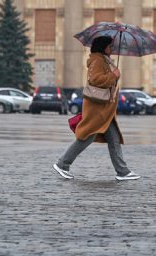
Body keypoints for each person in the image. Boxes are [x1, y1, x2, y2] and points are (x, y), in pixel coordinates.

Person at [53, 35, 140, 181]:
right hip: (97, 109)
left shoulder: (105, 60)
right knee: (86, 136)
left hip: (105, 110)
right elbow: (96, 80)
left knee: (114, 140)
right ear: (102, 47)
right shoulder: (98, 60)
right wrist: (113, 75)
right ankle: (62, 164)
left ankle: (122, 172)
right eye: (110, 46)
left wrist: (114, 74)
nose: (112, 49)